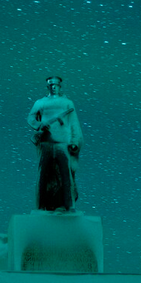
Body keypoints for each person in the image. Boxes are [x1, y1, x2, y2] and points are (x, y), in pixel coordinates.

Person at [27, 76, 84, 212]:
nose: (53, 87)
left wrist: (75, 141)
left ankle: (69, 205)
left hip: (63, 144)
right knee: (42, 176)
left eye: (56, 85)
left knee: (66, 176)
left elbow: (74, 124)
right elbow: (30, 117)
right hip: (46, 143)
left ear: (60, 86)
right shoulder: (40, 102)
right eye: (51, 85)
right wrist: (40, 125)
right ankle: (41, 206)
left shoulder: (67, 103)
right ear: (48, 87)